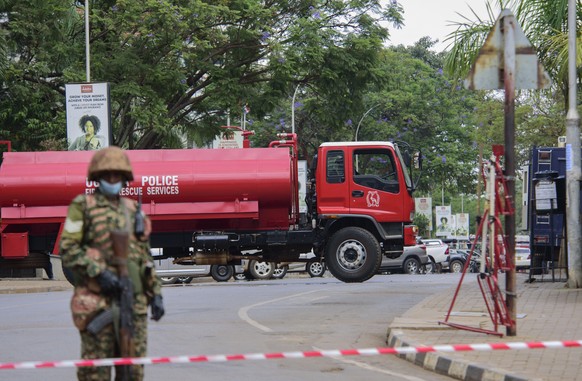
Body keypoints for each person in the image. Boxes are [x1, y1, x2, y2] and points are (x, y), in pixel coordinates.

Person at [60, 146, 164, 381]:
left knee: (133, 373)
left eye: (117, 175)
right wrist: (100, 274)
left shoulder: (133, 210)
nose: (112, 179)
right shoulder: (83, 206)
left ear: (125, 178)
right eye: (107, 175)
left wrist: (156, 294)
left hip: (134, 305)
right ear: (97, 178)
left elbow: (145, 258)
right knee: (96, 373)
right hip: (98, 303)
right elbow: (68, 249)